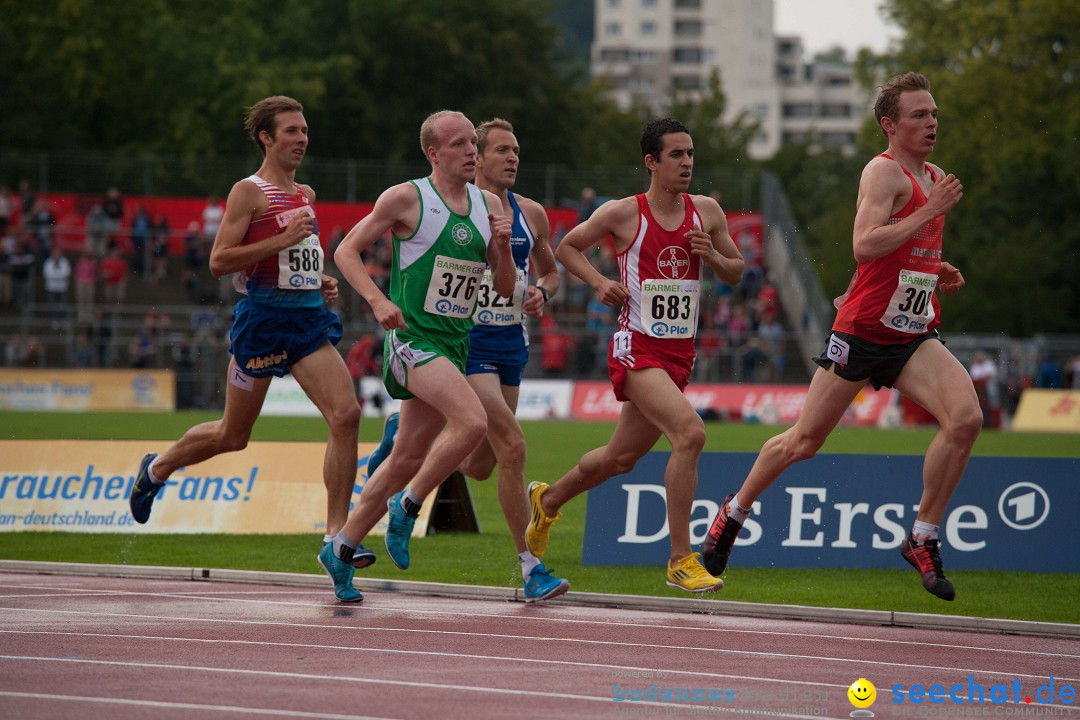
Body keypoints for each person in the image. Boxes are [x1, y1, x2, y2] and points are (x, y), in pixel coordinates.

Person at [701, 72, 980, 602]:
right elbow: (864, 245)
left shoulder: (935, 175)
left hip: (911, 333)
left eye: (935, 114)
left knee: (965, 418)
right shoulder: (884, 173)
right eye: (919, 115)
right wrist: (930, 211)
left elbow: (901, 252)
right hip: (861, 332)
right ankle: (732, 516)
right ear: (889, 125)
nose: (931, 123)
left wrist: (933, 269)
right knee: (803, 442)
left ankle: (922, 536)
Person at [127, 96, 363, 591]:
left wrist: (316, 279)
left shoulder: (307, 194)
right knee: (234, 435)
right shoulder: (248, 193)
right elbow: (219, 261)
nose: (302, 138)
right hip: (261, 323)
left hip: (306, 324)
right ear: (267, 138)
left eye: (304, 130)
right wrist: (281, 240)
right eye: (292, 131)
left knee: (347, 414)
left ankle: (336, 540)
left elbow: (291, 259)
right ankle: (159, 467)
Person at [525, 117, 745, 593]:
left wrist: (712, 256)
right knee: (690, 433)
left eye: (690, 154)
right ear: (651, 162)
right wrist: (601, 282)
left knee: (620, 458)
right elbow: (567, 247)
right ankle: (680, 559)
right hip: (636, 346)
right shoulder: (624, 213)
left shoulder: (706, 212)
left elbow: (736, 272)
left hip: (677, 354)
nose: (687, 162)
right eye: (676, 155)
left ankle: (548, 499)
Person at [321, 110, 514, 602]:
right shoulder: (408, 198)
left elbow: (505, 287)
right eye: (459, 145)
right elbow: (345, 251)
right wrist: (377, 300)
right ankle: (408, 506)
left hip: (455, 343)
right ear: (433, 153)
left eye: (473, 142)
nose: (471, 151)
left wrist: (504, 245)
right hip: (412, 341)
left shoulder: (487, 203)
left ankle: (341, 548)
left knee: (406, 455)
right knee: (472, 423)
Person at [457, 118, 568, 600]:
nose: (512, 158)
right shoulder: (458, 209)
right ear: (477, 158)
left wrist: (543, 291)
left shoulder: (532, 214)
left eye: (516, 150)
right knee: (515, 446)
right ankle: (531, 569)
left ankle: (408, 444)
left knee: (481, 464)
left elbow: (551, 270)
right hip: (468, 341)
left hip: (511, 343)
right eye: (501, 150)